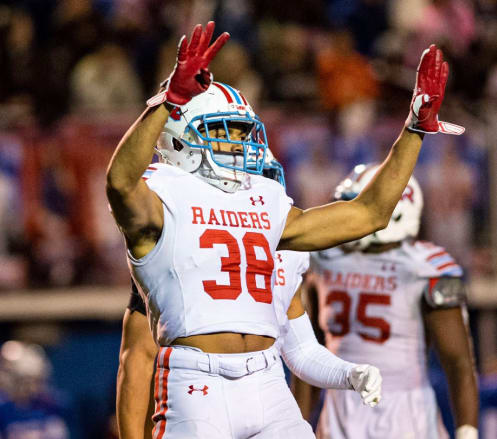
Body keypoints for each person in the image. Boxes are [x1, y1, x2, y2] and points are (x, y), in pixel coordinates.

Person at [105, 20, 463, 438]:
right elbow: (118, 182)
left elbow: (367, 215)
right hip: (195, 381)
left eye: (241, 133)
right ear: (177, 138)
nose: (238, 146)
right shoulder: (162, 193)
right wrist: (167, 101)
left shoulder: (263, 196)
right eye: (221, 133)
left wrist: (414, 130)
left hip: (268, 379)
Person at [116, 154, 383, 438]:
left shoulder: (291, 252)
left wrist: (348, 374)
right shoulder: (181, 250)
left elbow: (300, 349)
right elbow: (138, 357)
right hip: (198, 389)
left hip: (266, 385)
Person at [297, 164, 479, 439]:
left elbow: (457, 361)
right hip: (341, 409)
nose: (346, 216)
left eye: (358, 205)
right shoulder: (325, 260)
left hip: (406, 412)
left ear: (394, 213)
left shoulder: (424, 266)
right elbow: (308, 352)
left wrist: (468, 431)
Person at [0, 340, 71, 439]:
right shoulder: (4, 410)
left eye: (35, 381)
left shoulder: (49, 408)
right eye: (27, 382)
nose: (31, 387)